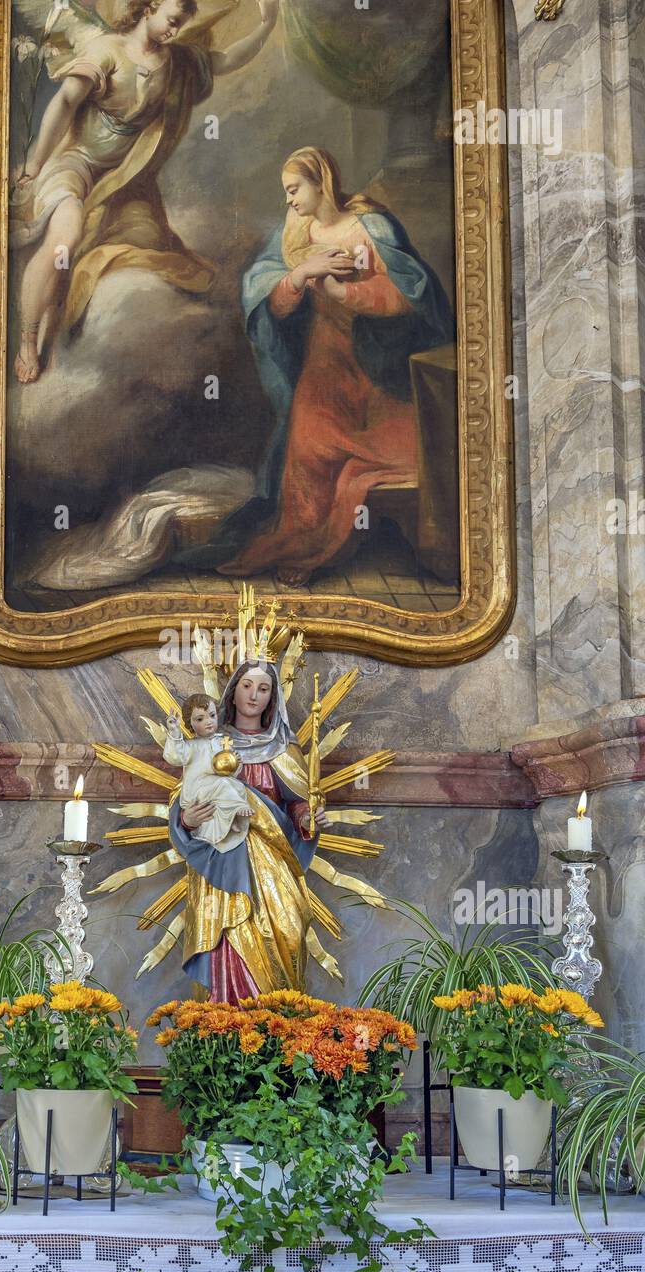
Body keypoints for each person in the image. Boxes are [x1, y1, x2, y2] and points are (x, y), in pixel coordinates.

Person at [177, 146, 454, 584]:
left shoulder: (371, 225)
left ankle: (384, 538)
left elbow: (410, 294)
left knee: (405, 453)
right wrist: (301, 274)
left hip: (379, 364)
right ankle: (303, 543)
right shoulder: (293, 233)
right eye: (285, 192)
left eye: (294, 189)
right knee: (309, 452)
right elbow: (271, 300)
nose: (288, 200)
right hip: (324, 361)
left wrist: (347, 294)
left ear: (320, 180)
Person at [11, 0, 281, 383]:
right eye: (173, 21)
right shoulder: (107, 50)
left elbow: (227, 60)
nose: (175, 30)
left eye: (182, 24)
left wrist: (267, 27)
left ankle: (71, 322)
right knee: (65, 239)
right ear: (149, 8)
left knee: (152, 247)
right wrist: (37, 163)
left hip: (125, 178)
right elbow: (66, 101)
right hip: (75, 164)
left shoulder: (180, 62)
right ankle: (27, 339)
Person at [168, 661, 332, 1002]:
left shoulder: (285, 749)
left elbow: (297, 803)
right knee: (228, 934)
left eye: (263, 688)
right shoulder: (211, 743)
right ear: (233, 690)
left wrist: (307, 819)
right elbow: (187, 795)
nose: (253, 695)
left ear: (273, 697)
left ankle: (280, 1022)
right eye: (246, 686)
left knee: (288, 931)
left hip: (272, 857)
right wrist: (187, 820)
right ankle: (223, 1025)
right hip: (222, 858)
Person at [164, 694, 252, 853]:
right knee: (224, 785)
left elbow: (230, 771)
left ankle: (230, 817)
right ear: (190, 723)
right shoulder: (190, 746)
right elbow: (175, 757)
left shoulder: (223, 742)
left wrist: (236, 762)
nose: (208, 721)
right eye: (200, 719)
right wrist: (175, 732)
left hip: (217, 789)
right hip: (198, 790)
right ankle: (236, 808)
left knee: (237, 786)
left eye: (212, 715)